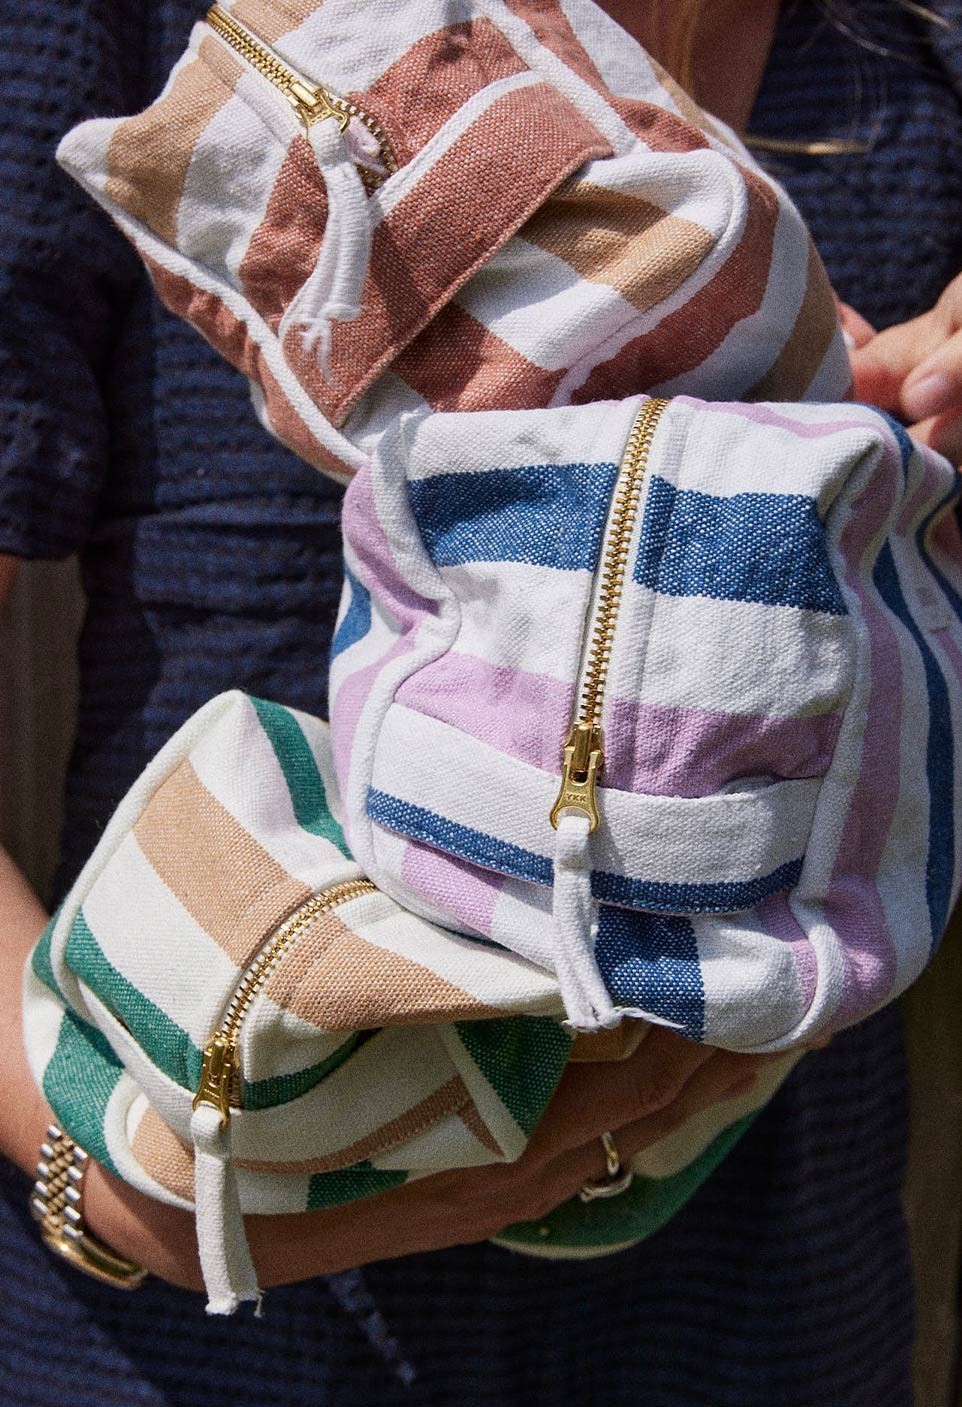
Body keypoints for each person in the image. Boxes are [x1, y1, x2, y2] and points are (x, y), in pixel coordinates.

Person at [1, 1, 960, 1402]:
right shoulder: (117, 27)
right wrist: (112, 1169)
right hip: (213, 1325)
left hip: (766, 1303)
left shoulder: (901, 52)